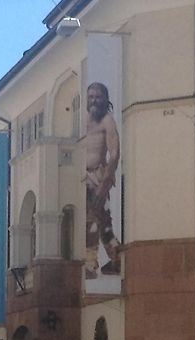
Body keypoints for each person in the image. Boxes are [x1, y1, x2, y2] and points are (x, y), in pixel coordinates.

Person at [84, 82, 121, 279]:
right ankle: (109, 260)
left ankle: (95, 264)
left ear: (105, 99)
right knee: (94, 221)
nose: (94, 101)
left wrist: (106, 182)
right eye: (90, 97)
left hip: (98, 177)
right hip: (82, 176)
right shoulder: (83, 120)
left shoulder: (108, 121)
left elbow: (114, 154)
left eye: (98, 97)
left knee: (98, 221)